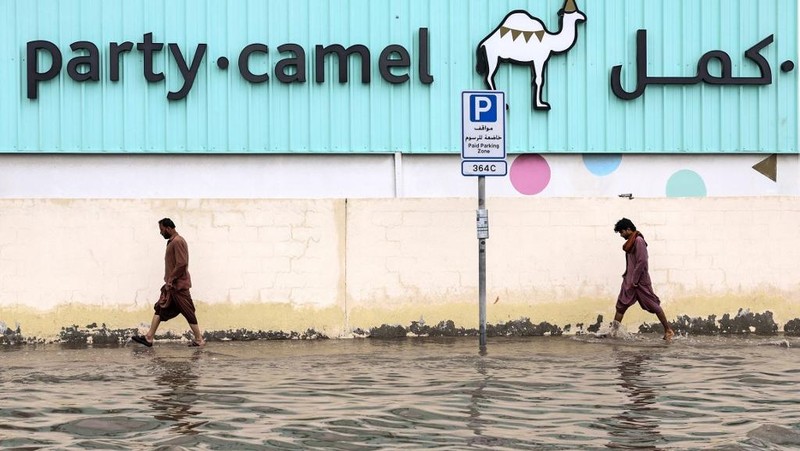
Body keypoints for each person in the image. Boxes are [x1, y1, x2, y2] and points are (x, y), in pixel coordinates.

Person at [132, 218, 206, 347]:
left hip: (178, 286)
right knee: (160, 308)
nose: (160, 233)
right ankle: (149, 337)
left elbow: (182, 263)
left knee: (188, 312)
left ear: (168, 228)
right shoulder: (173, 241)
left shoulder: (177, 242)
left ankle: (199, 339)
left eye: (161, 230)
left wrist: (171, 279)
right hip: (171, 286)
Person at [613, 218, 675, 340]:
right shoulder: (631, 242)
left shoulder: (639, 241)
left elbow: (642, 262)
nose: (621, 235)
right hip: (629, 281)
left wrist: (634, 281)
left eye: (622, 232)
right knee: (621, 305)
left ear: (628, 229)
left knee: (654, 305)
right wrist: (628, 278)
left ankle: (668, 330)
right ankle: (613, 333)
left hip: (639, 282)